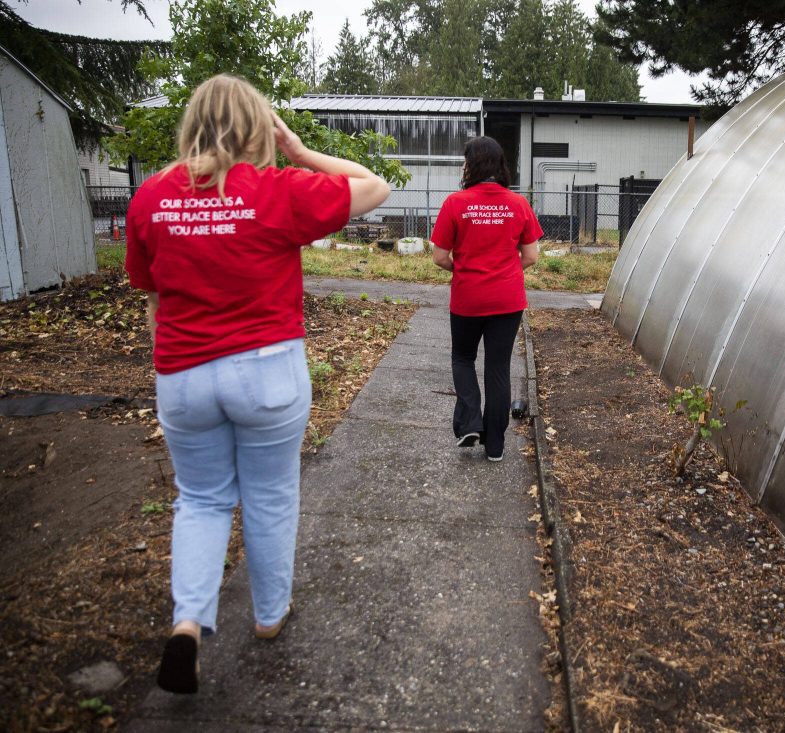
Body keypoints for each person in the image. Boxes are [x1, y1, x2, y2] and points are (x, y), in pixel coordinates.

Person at [124, 74, 390, 694]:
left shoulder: (150, 197)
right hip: (267, 370)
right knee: (269, 495)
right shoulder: (278, 190)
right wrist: (298, 152)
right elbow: (372, 186)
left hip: (184, 374)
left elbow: (153, 298)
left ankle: (188, 623)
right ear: (256, 127)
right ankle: (269, 617)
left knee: (201, 499)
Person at [430, 136, 542, 462]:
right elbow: (532, 255)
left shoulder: (455, 203)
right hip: (507, 301)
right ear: (499, 165)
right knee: (498, 369)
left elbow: (439, 257)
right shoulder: (518, 204)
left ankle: (469, 423)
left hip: (468, 298)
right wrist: (506, 271)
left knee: (463, 359)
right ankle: (495, 447)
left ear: (472, 165)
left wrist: (462, 269)